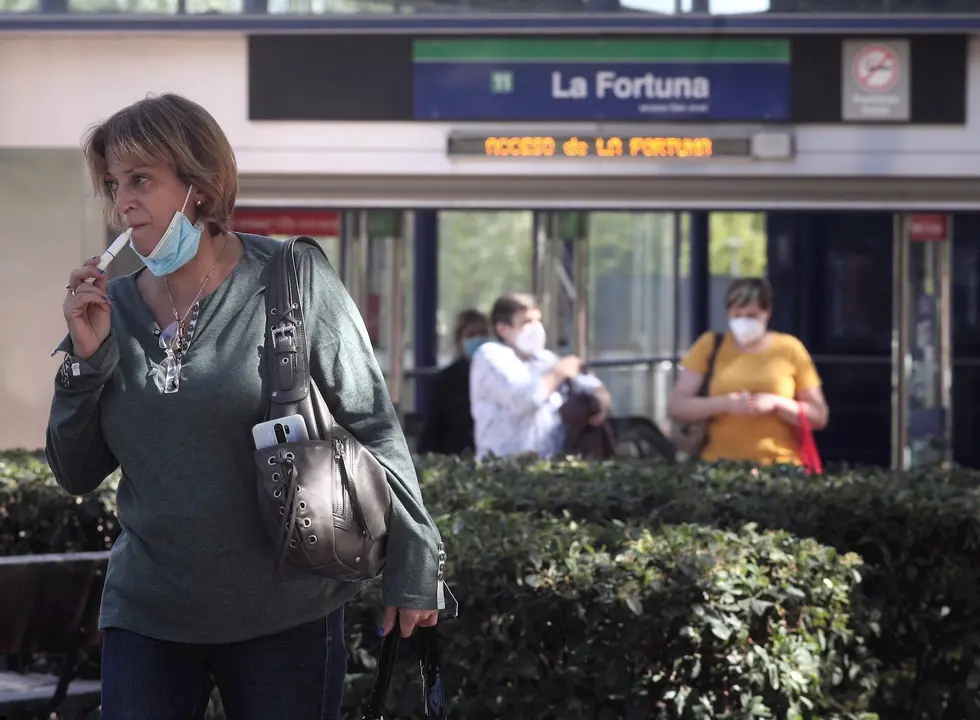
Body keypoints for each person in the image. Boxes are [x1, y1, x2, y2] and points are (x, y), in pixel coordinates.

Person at [45, 93, 443, 720]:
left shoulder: (290, 277)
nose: (121, 201)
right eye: (114, 184)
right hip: (147, 614)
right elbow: (73, 472)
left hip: (286, 614)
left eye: (141, 180)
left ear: (198, 187)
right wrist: (84, 364)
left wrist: (415, 564)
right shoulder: (108, 308)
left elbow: (373, 424)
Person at [667, 277, 829, 466]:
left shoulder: (789, 349)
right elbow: (677, 406)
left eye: (751, 315)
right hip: (719, 464)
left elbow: (819, 416)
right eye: (737, 315)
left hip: (781, 465)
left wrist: (776, 404)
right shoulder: (709, 345)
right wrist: (727, 403)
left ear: (766, 312)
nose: (743, 321)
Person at [469, 292, 610, 460]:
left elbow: (587, 382)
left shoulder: (545, 359)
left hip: (547, 465)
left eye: (538, 321)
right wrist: (558, 373)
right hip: (503, 468)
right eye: (526, 322)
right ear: (503, 329)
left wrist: (601, 398)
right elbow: (523, 398)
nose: (535, 328)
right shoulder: (490, 356)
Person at [417, 308, 489, 456]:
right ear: (459, 340)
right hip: (456, 457)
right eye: (471, 335)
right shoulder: (447, 379)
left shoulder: (499, 375)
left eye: (483, 333)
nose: (478, 339)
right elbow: (433, 427)